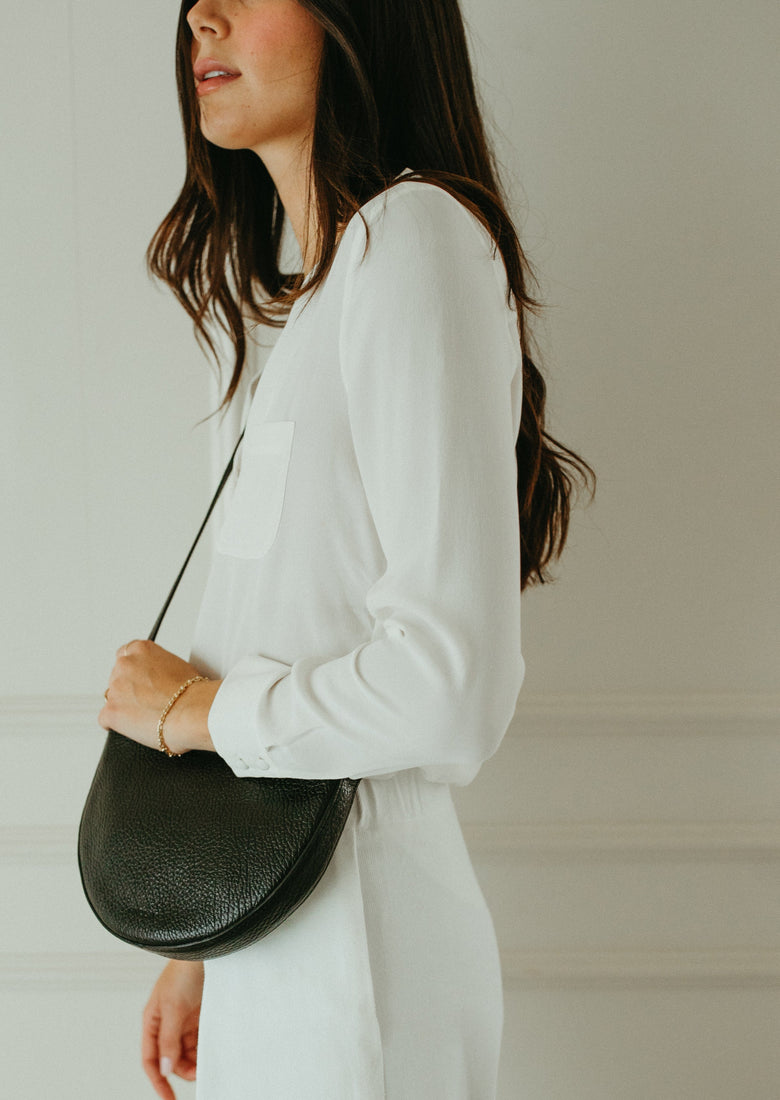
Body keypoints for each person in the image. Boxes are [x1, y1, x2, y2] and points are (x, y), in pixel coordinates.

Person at [97, 1, 595, 1097]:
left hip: (355, 947)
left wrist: (189, 715)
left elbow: (450, 685)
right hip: (285, 924)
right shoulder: (310, 302)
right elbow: (292, 623)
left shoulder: (411, 238)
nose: (200, 15)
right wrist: (209, 937)